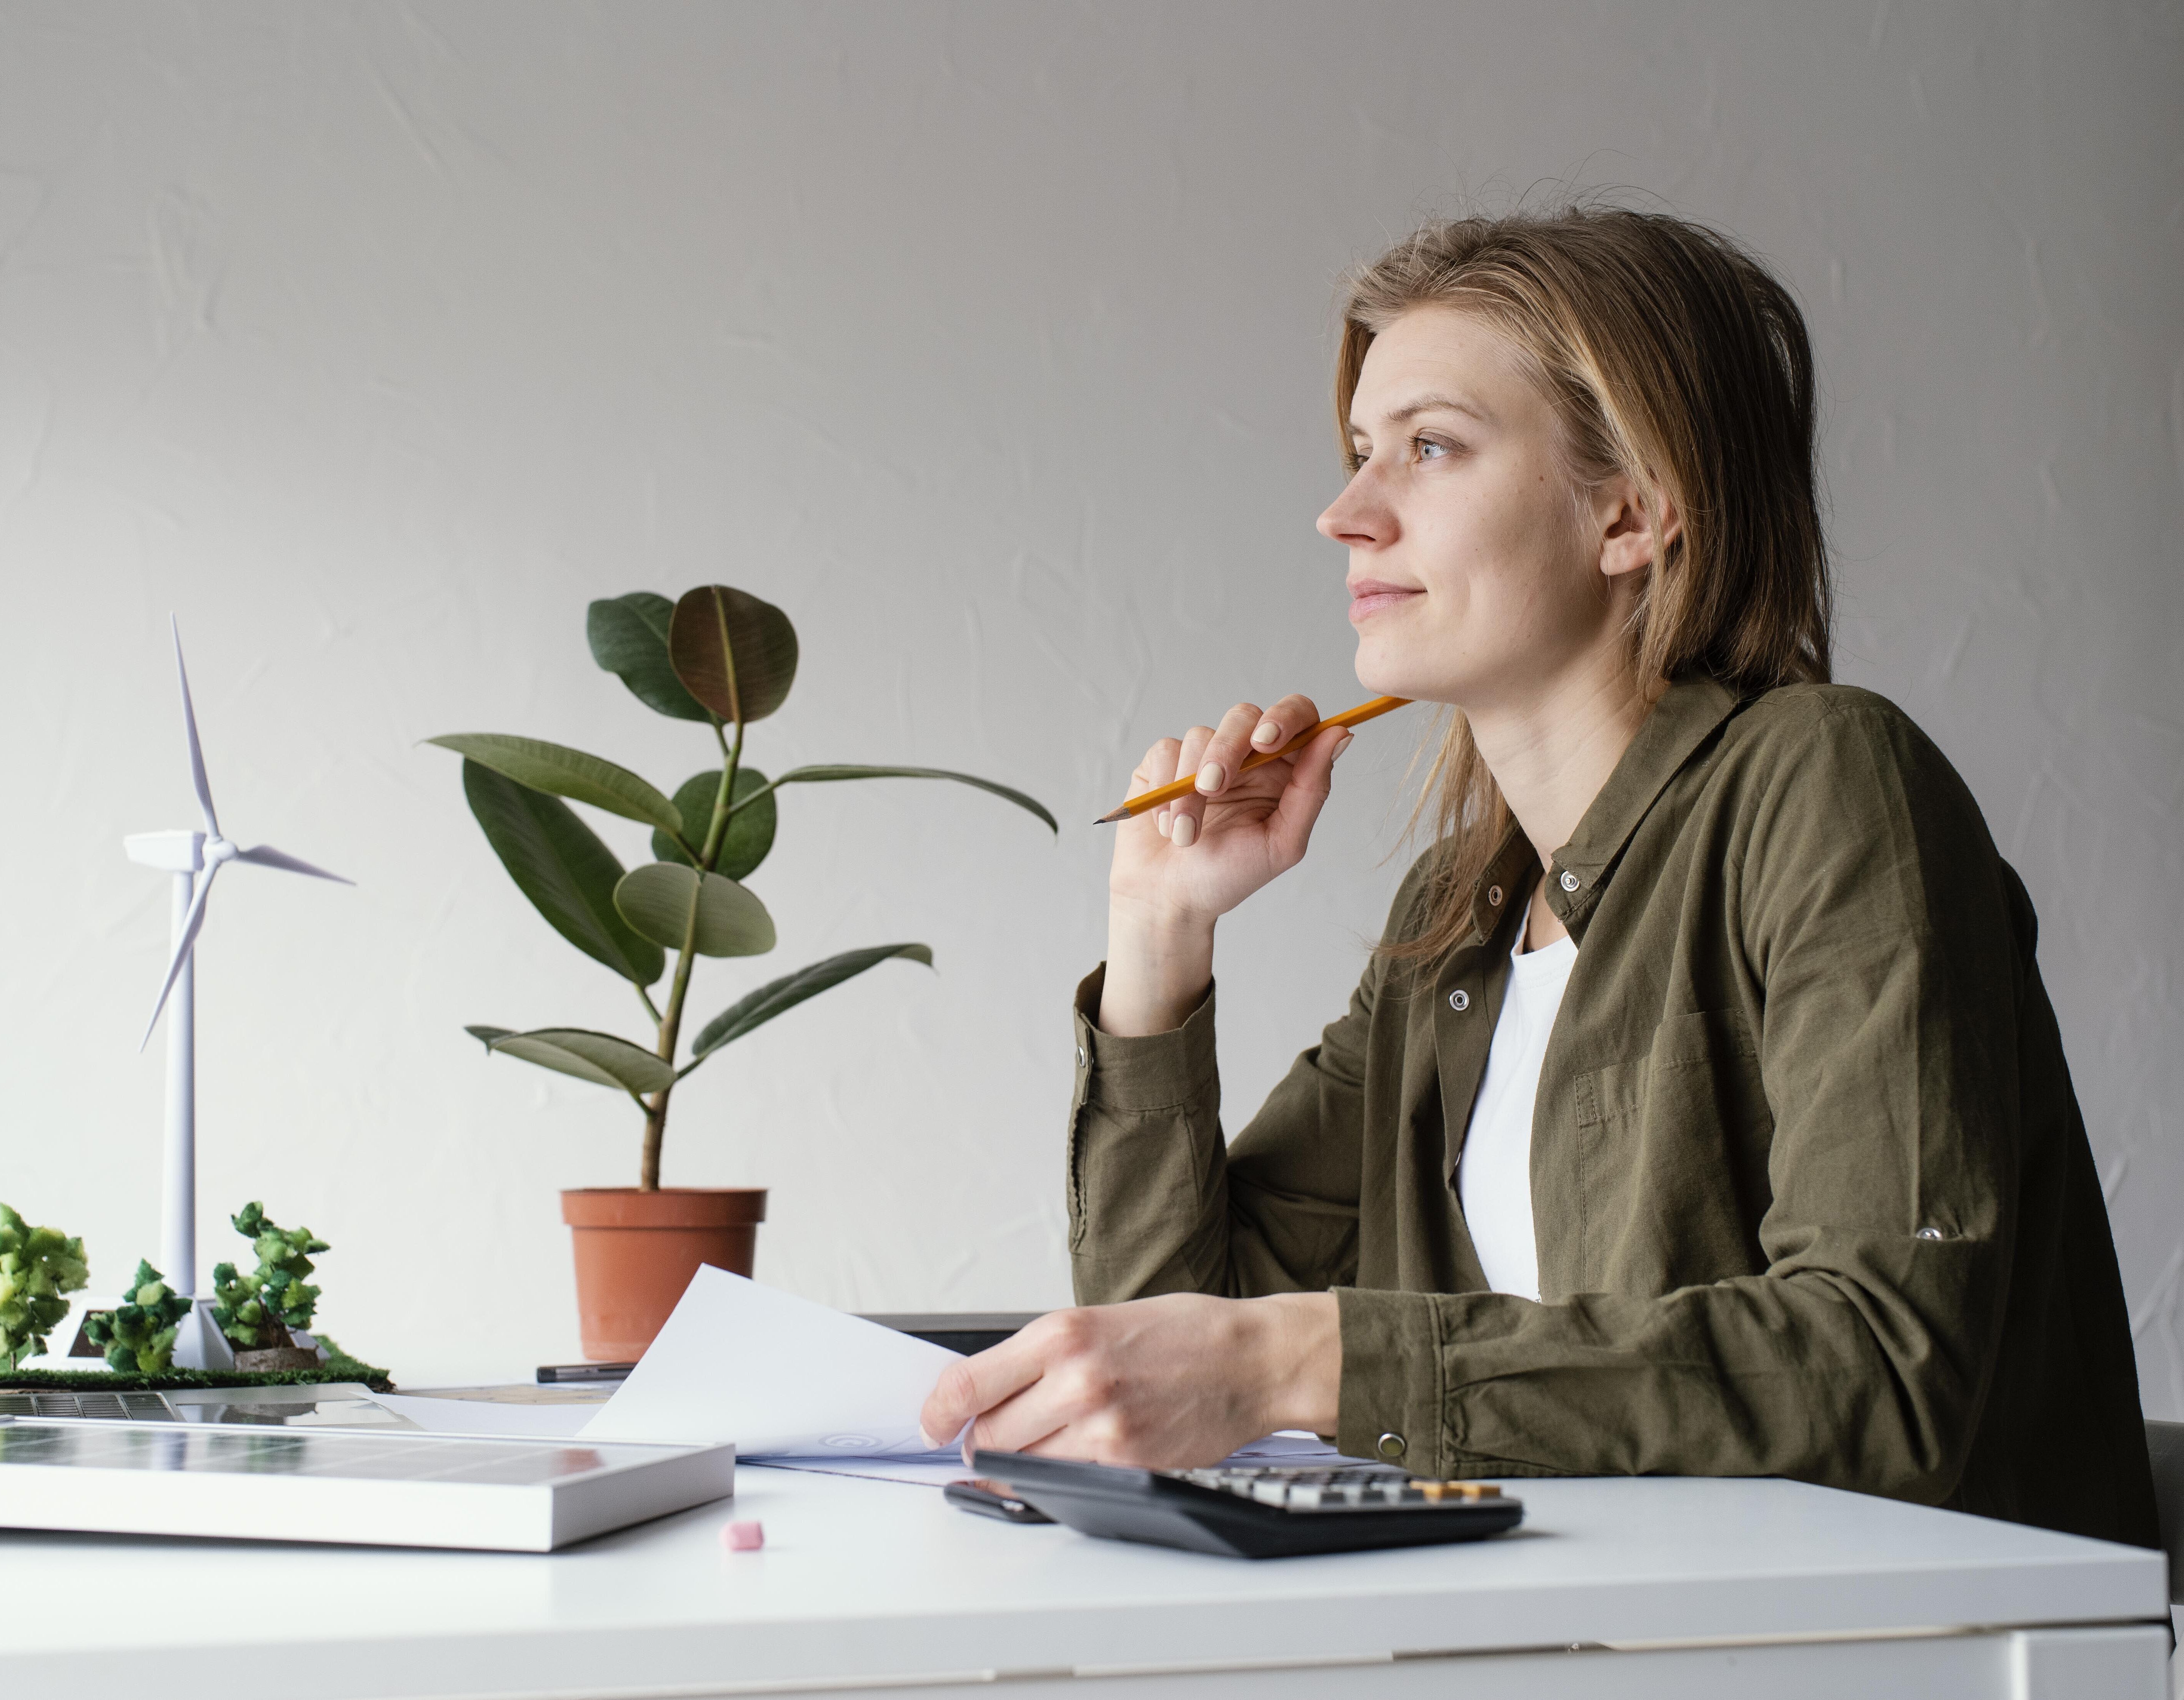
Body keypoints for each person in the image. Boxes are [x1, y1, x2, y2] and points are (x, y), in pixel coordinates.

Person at [919, 205, 2158, 1546]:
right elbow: (1172, 1345)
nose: (1346, 514)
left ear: (1630, 512)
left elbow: (1881, 1364)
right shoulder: (1452, 926)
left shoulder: (1828, 783)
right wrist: (1158, 939)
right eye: (1357, 454)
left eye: (1431, 448)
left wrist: (1307, 1361)